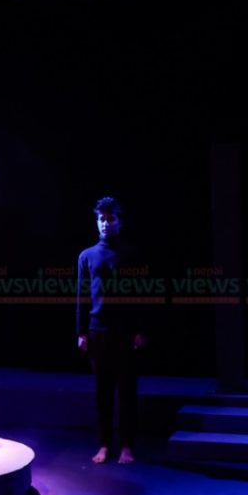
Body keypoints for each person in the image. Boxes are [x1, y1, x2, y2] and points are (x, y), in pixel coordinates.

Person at [76, 197, 146, 465]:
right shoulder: (86, 256)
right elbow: (82, 296)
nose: (106, 223)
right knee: (102, 392)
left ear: (119, 221)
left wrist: (140, 329)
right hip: (97, 332)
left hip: (125, 332)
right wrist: (81, 332)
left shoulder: (132, 254)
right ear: (97, 222)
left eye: (110, 219)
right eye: (101, 219)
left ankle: (127, 445)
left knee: (127, 391)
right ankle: (104, 444)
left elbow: (141, 294)